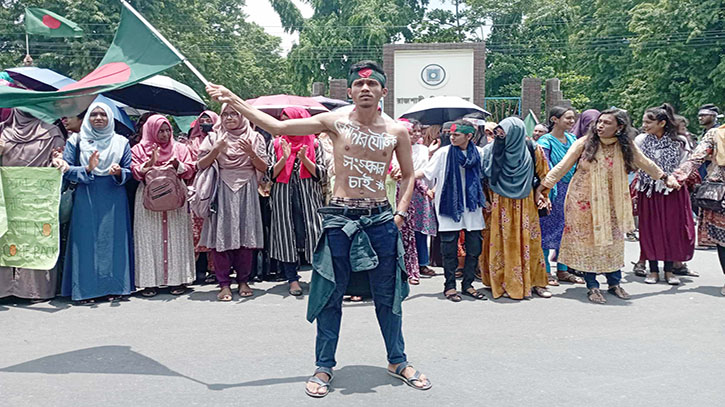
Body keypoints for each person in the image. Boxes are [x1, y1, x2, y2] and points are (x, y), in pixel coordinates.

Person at [206, 60, 431, 397]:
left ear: (384, 91)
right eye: (359, 85)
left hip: (381, 220)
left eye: (372, 85)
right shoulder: (334, 122)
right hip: (340, 219)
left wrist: (399, 213)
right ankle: (324, 366)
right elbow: (277, 128)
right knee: (329, 295)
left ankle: (397, 360)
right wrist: (233, 99)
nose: (365, 89)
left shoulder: (396, 131)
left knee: (388, 296)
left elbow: (410, 174)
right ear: (352, 91)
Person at [537, 109, 680, 304]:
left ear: (619, 127)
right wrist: (543, 188)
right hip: (583, 202)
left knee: (612, 241)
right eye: (599, 122)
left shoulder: (625, 146)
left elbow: (646, 163)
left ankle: (614, 283)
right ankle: (592, 285)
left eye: (606, 123)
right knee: (590, 242)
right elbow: (562, 167)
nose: (600, 126)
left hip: (613, 202)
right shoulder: (584, 143)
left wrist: (665, 177)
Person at [61, 102, 134, 303]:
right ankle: (85, 290)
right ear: (87, 118)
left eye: (103, 114)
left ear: (111, 118)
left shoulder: (121, 142)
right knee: (86, 242)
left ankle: (115, 287)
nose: (99, 118)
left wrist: (120, 172)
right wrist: (86, 169)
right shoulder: (76, 140)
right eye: (94, 114)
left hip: (113, 196)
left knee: (114, 242)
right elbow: (65, 170)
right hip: (87, 196)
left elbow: (130, 171)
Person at [196, 104, 269, 302]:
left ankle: (244, 280)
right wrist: (216, 150)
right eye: (225, 114)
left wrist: (251, 152)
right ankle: (224, 283)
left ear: (242, 116)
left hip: (247, 189)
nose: (229, 118)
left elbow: (264, 167)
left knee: (246, 236)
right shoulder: (214, 137)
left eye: (234, 114)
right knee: (221, 238)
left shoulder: (255, 138)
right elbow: (200, 164)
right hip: (221, 188)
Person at [479, 117, 552, 299]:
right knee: (501, 243)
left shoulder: (533, 149)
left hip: (526, 203)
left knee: (530, 243)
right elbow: (482, 178)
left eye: (505, 133)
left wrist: (541, 194)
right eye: (499, 133)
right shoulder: (490, 151)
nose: (501, 137)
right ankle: (502, 283)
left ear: (517, 133)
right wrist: (484, 201)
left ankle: (535, 282)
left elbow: (545, 176)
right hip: (498, 205)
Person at [0, 109, 66, 301]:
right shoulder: (3, 130)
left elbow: (59, 155)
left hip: (36, 198)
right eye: (22, 104)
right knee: (5, 236)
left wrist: (58, 161)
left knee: (35, 238)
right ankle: (4, 289)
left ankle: (33, 290)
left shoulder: (50, 132)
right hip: (7, 195)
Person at [131, 114, 196, 297]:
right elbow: (134, 172)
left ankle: (178, 280)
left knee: (176, 236)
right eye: (160, 130)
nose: (165, 134)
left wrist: (178, 165)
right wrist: (149, 163)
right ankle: (149, 282)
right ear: (150, 131)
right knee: (148, 237)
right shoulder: (139, 149)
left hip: (175, 197)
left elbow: (191, 169)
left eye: (168, 130)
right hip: (148, 199)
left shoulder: (180, 148)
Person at [631, 105, 696, 285]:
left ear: (662, 123)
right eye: (643, 121)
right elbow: (636, 162)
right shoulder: (641, 140)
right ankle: (653, 270)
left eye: (648, 122)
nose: (644, 125)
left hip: (672, 191)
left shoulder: (680, 141)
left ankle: (669, 271)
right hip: (648, 191)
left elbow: (686, 164)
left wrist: (674, 179)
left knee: (671, 229)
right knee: (649, 229)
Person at [424, 121, 486, 301]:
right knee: (449, 249)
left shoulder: (480, 154)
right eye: (451, 134)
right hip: (449, 206)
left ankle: (468, 285)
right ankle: (449, 286)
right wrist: (407, 174)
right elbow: (427, 173)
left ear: (469, 136)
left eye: (457, 135)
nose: (452, 137)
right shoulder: (443, 153)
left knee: (474, 247)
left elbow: (487, 177)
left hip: (473, 206)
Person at [268, 107, 327, 296]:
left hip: (309, 197)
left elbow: (322, 174)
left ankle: (318, 277)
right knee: (286, 236)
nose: (287, 125)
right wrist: (284, 158)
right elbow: (270, 174)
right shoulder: (276, 143)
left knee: (315, 234)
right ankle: (292, 279)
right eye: (283, 121)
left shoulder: (315, 143)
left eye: (290, 121)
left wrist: (304, 159)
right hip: (283, 196)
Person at [674, 121, 725, 296]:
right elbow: (696, 157)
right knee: (723, 240)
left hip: (719, 194)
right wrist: (678, 176)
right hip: (720, 195)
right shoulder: (715, 134)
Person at [537, 106, 585, 286]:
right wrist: (546, 189)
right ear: (554, 119)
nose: (572, 122)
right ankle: (546, 271)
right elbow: (545, 165)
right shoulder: (545, 140)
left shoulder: (573, 140)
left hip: (571, 189)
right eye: (568, 118)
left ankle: (563, 270)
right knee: (546, 228)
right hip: (553, 189)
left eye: (573, 119)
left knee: (567, 229)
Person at [392, 119, 437, 284]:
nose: (416, 134)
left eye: (418, 131)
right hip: (399, 191)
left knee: (419, 229)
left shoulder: (423, 150)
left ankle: (422, 263)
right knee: (402, 229)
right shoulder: (395, 148)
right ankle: (404, 264)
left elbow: (427, 170)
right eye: (412, 131)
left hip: (420, 192)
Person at [186, 110, 220, 284]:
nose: (205, 123)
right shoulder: (192, 143)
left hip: (217, 188)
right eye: (202, 120)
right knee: (196, 230)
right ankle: (198, 268)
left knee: (214, 228)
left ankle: (215, 269)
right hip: (197, 189)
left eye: (209, 120)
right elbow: (191, 164)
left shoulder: (220, 139)